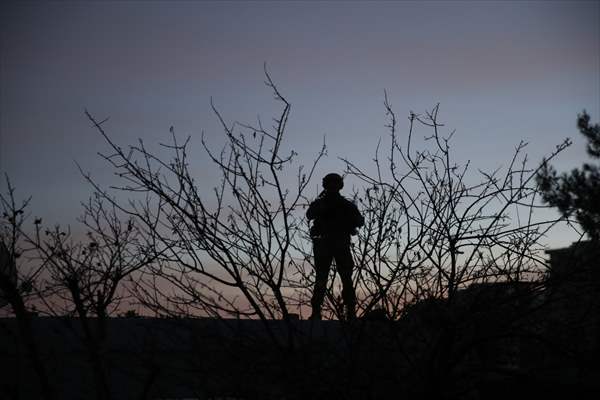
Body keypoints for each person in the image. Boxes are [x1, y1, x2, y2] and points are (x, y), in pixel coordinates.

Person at [307, 173, 364, 320]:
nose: (332, 186)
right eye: (330, 184)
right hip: (325, 244)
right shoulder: (322, 203)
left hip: (338, 244)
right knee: (322, 278)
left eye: (334, 183)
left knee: (345, 278)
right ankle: (317, 311)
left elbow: (359, 221)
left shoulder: (346, 205)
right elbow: (310, 214)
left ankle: (350, 311)